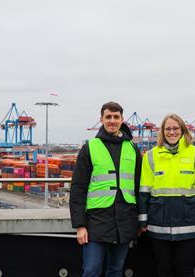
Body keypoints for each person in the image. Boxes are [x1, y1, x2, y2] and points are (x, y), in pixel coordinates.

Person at [69, 101, 142, 277]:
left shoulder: (132, 148)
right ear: (101, 119)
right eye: (108, 117)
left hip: (124, 223)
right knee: (92, 271)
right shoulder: (90, 148)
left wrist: (140, 221)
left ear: (122, 120)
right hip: (96, 224)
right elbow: (78, 188)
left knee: (115, 271)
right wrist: (80, 225)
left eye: (116, 117)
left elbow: (139, 187)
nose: (112, 120)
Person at [138, 114, 195, 277]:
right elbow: (144, 190)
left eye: (175, 128)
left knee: (185, 269)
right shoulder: (151, 156)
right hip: (159, 223)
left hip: (189, 223)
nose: (172, 132)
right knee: (164, 269)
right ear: (162, 132)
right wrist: (142, 219)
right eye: (168, 129)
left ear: (183, 130)